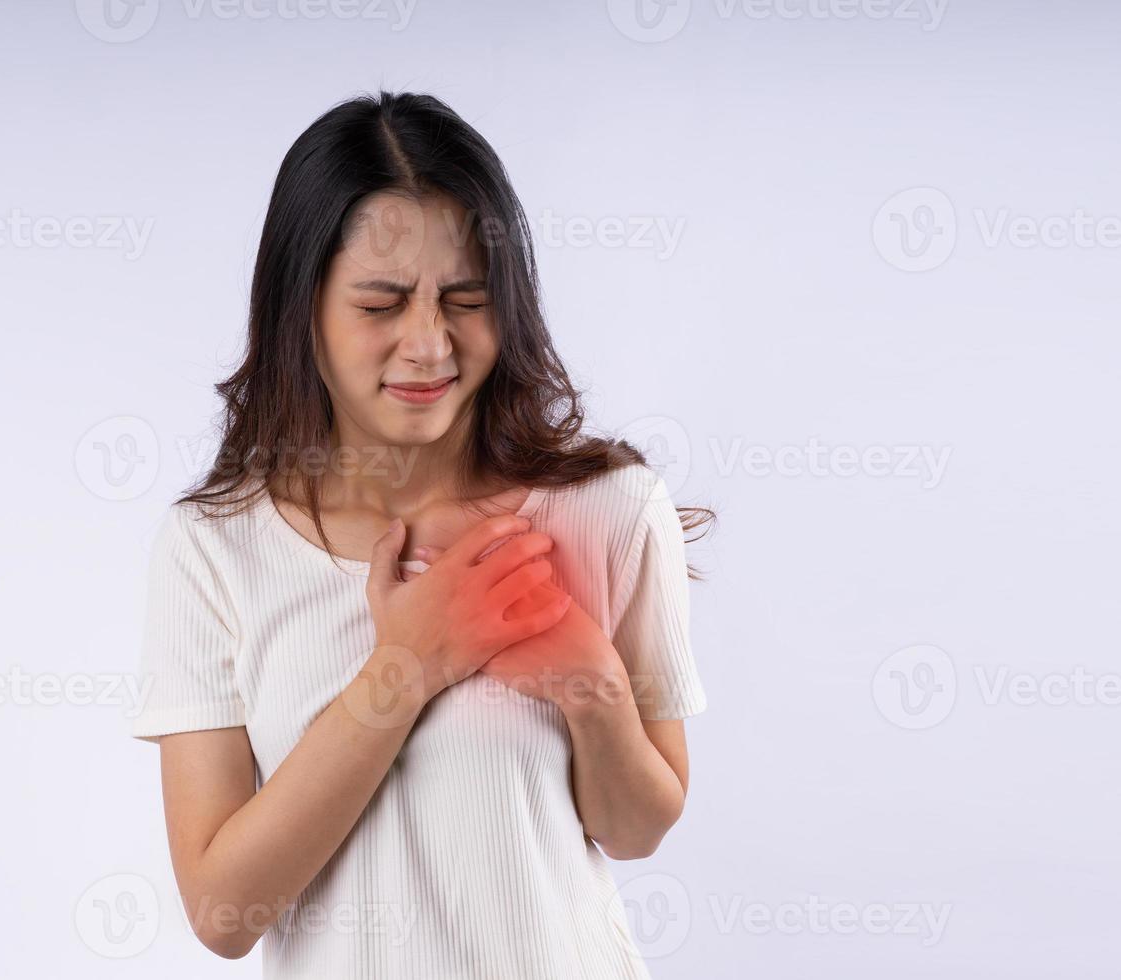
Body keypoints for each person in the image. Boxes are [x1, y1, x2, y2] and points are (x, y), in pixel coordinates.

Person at [131, 90, 711, 979]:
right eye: (381, 304)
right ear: (303, 310)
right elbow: (221, 911)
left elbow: (634, 832)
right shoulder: (215, 548)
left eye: (465, 300)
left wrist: (589, 678)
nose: (430, 344)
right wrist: (407, 665)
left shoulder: (610, 509)